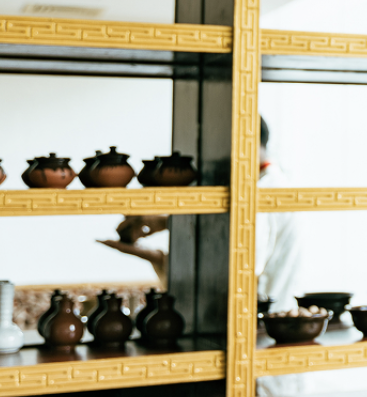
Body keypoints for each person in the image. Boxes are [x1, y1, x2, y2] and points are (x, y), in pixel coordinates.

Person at [98, 115, 304, 309]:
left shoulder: (265, 188)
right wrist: (165, 226)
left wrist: (164, 236)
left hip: (259, 315)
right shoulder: (256, 183)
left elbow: (241, 264)